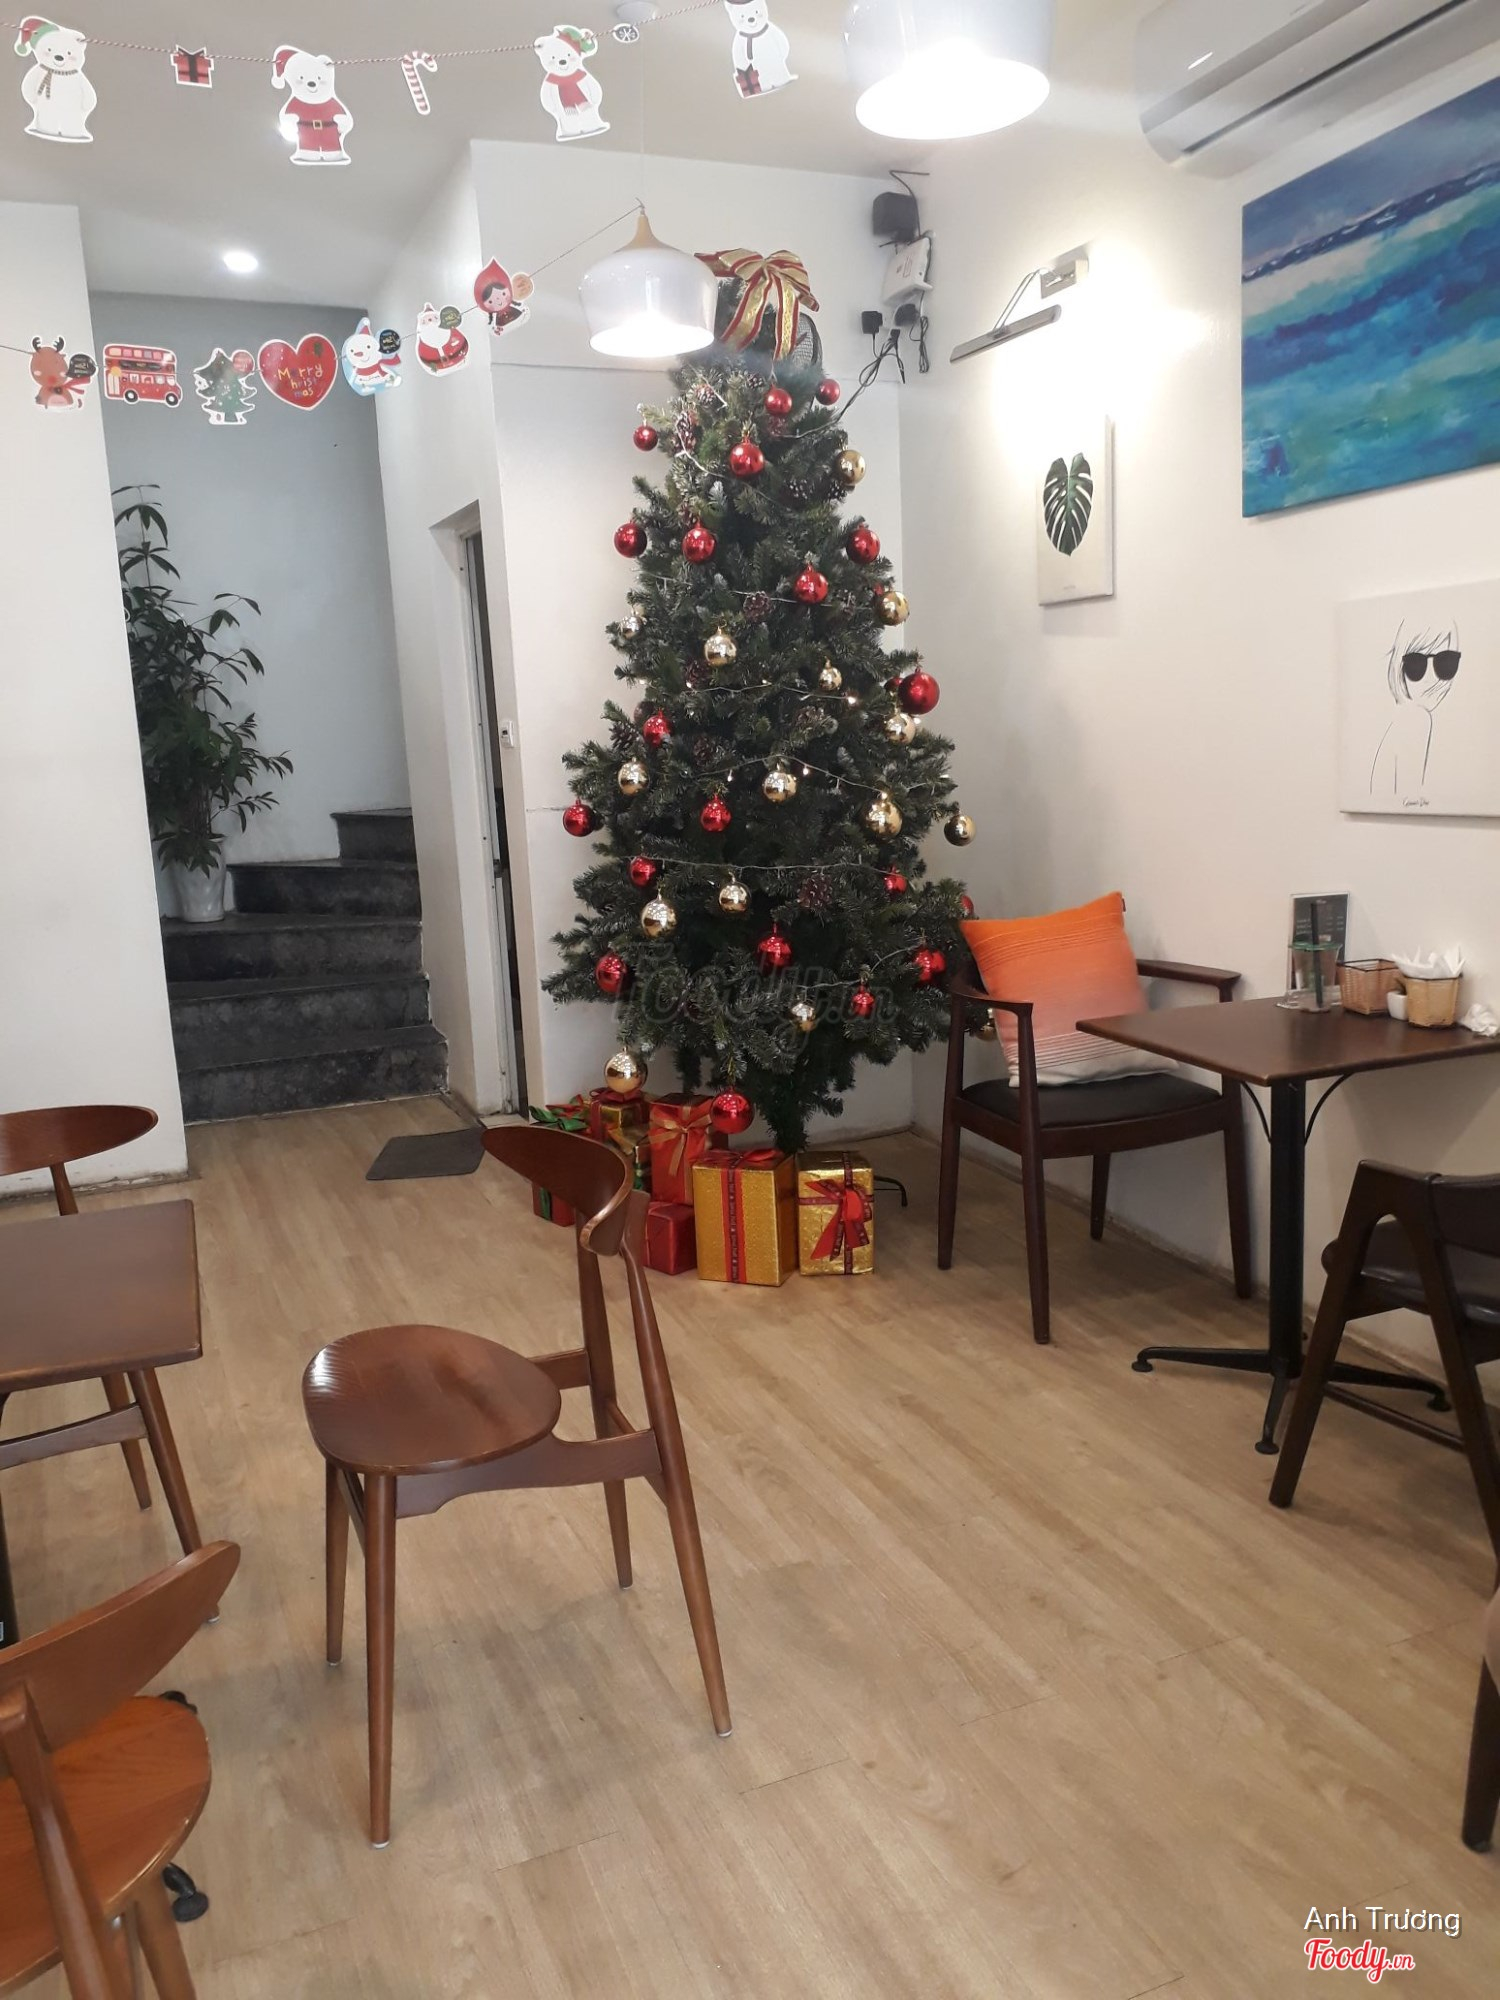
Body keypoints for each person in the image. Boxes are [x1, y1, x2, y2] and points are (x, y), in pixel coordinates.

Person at [1370, 625, 1461, 809]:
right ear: (1399, 667)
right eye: (1416, 664)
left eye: (1445, 662)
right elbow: (1410, 805)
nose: (1430, 678)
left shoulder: (1409, 720)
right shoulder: (1417, 718)